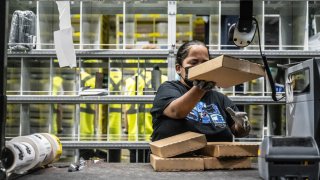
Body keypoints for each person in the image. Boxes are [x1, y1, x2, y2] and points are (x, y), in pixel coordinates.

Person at [150, 40, 251, 142]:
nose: (201, 67)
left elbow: (238, 132)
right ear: (178, 68)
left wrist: (242, 125)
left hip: (218, 156)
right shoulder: (168, 89)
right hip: (178, 157)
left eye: (205, 63)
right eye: (194, 62)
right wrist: (200, 88)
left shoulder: (220, 99)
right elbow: (177, 112)